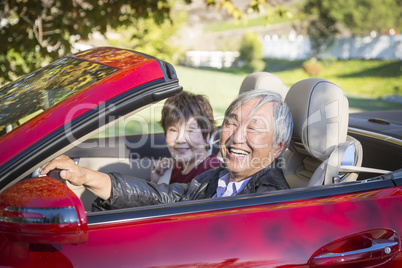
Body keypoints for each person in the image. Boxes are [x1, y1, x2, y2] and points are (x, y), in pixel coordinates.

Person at [40, 89, 293, 211]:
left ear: (278, 147)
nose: (237, 137)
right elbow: (167, 196)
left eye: (254, 128)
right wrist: (85, 176)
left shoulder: (268, 199)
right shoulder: (217, 178)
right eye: (232, 123)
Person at [150, 91, 221, 184]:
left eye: (190, 130)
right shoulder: (174, 168)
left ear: (207, 136)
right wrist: (157, 181)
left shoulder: (212, 174)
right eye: (173, 130)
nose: (180, 140)